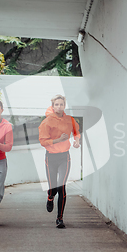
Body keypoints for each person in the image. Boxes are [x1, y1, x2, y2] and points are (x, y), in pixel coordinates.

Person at [38, 94, 80, 228]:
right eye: (56, 104)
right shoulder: (47, 122)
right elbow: (43, 142)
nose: (59, 106)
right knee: (53, 188)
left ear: (64, 105)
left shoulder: (69, 120)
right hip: (51, 157)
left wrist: (76, 141)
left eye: (61, 104)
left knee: (62, 186)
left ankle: (59, 218)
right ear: (53, 106)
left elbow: (76, 131)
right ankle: (50, 197)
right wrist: (58, 140)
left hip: (64, 157)